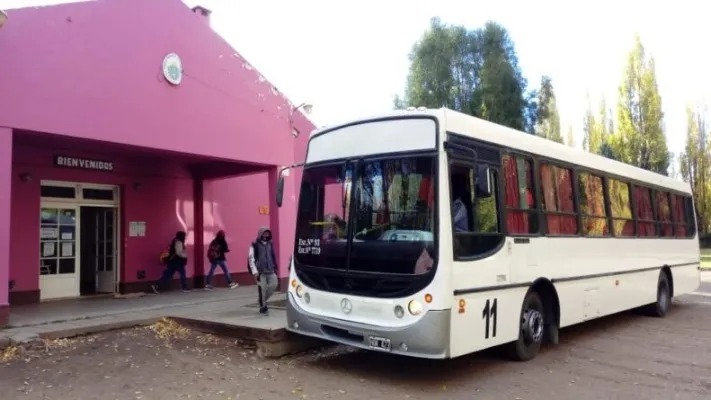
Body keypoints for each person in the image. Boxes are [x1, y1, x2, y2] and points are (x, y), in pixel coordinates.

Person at [247, 227, 279, 315]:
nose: (266, 235)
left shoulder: (270, 243)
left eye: (268, 234)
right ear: (260, 234)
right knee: (262, 289)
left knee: (274, 285)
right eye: (264, 234)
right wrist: (254, 271)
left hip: (271, 270)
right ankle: (263, 306)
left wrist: (275, 267)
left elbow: (273, 255)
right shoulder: (254, 244)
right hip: (260, 272)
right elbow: (251, 258)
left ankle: (261, 300)